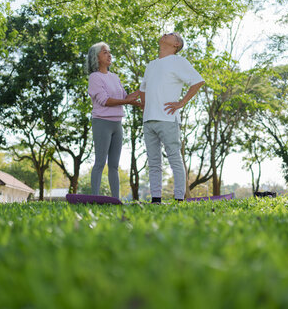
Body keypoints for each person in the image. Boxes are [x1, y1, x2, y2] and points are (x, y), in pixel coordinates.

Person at [139, 32, 205, 203]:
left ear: (176, 44)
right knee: (153, 162)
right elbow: (143, 89)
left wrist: (181, 102)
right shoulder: (151, 65)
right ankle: (156, 199)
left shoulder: (178, 61)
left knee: (174, 157)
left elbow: (197, 81)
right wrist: (145, 107)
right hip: (148, 120)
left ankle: (179, 199)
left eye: (171, 35)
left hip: (168, 118)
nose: (166, 34)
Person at [86, 42, 140, 198]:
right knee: (100, 162)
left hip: (117, 124)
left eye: (109, 52)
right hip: (102, 122)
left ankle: (116, 200)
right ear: (96, 58)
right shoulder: (94, 77)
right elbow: (106, 101)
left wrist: (142, 90)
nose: (109, 55)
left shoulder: (115, 77)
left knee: (114, 165)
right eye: (104, 52)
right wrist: (129, 102)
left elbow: (125, 97)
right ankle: (95, 198)